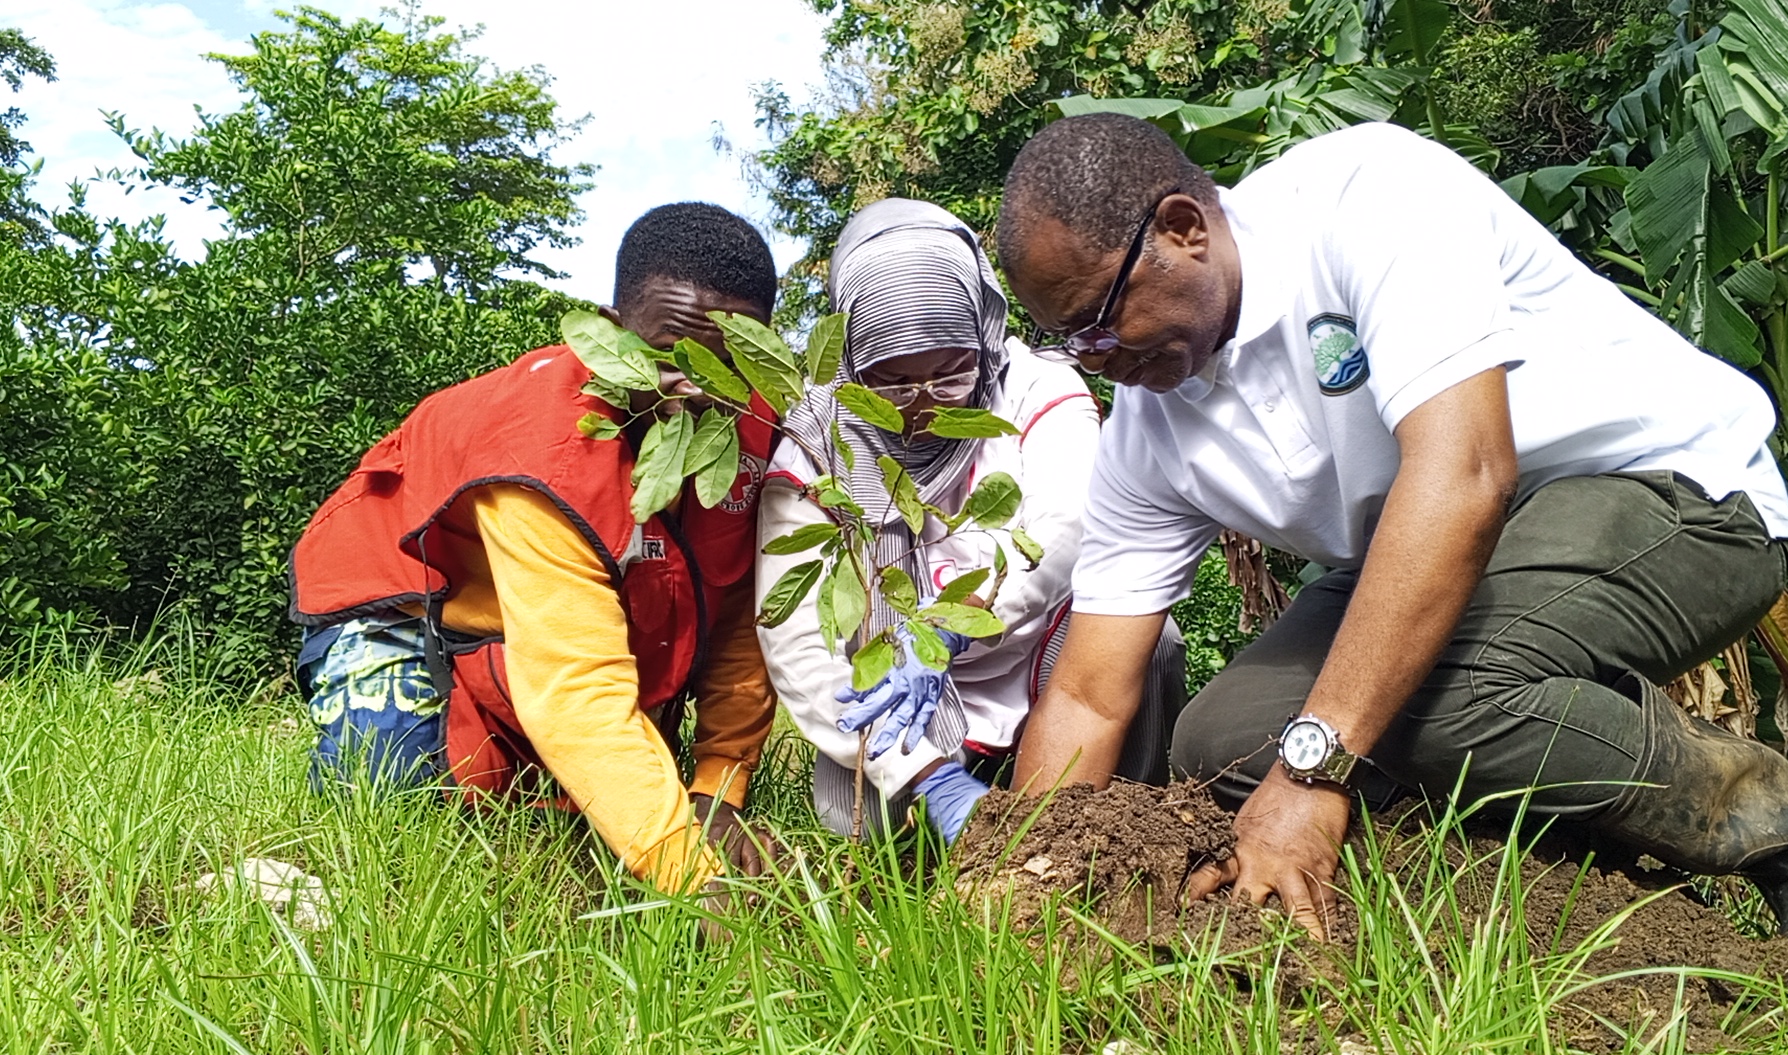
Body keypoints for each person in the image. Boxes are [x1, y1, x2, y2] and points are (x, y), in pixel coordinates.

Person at [990, 114, 1788, 986]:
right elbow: (1086, 691)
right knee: (1223, 738)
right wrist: (1021, 870)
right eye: (1071, 340)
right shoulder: (1148, 430)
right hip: (1438, 552)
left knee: (1432, 697)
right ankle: (1557, 883)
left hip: (1671, 492)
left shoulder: (1365, 196)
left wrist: (1313, 773)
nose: (1097, 355)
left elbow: (1466, 473)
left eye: (1103, 315)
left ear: (1184, 227)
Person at [289, 203, 782, 890]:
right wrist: (694, 881)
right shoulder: (544, 451)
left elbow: (733, 617)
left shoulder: (760, 425)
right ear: (610, 335)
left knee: (596, 811)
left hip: (567, 627)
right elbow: (576, 687)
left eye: (730, 366)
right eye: (670, 359)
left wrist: (718, 789)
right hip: (410, 609)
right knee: (389, 806)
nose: (700, 391)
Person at [757, 199, 1186, 841]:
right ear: (850, 363)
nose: (923, 405)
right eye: (892, 383)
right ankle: (935, 783)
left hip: (1035, 654)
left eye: (949, 373)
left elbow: (1065, 530)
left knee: (1150, 638)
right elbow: (795, 637)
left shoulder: (1037, 390)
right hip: (902, 693)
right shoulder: (818, 445)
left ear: (981, 337)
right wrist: (926, 776)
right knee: (875, 828)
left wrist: (950, 629)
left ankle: (1117, 819)